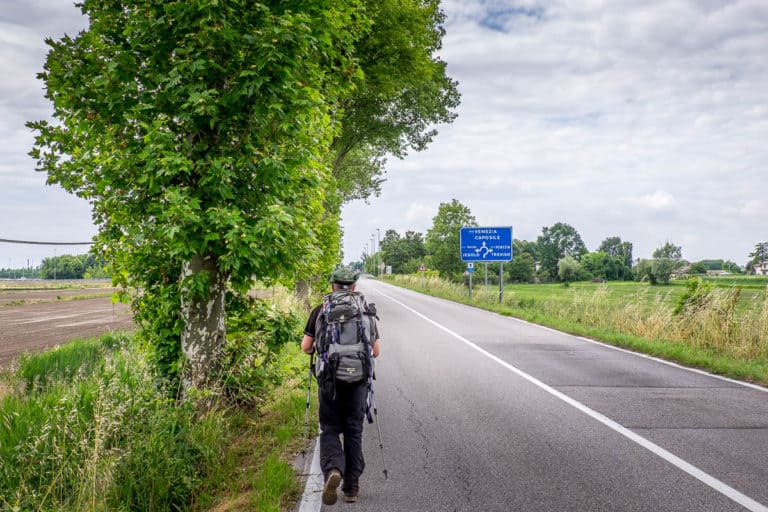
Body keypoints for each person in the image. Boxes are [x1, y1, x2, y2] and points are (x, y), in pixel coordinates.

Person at [301, 267, 380, 505]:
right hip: (358, 383)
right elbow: (375, 351)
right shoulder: (366, 311)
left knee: (330, 428)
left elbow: (306, 347)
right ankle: (352, 488)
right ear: (354, 286)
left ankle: (334, 468)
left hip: (330, 382)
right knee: (354, 431)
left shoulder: (321, 310)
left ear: (332, 285)